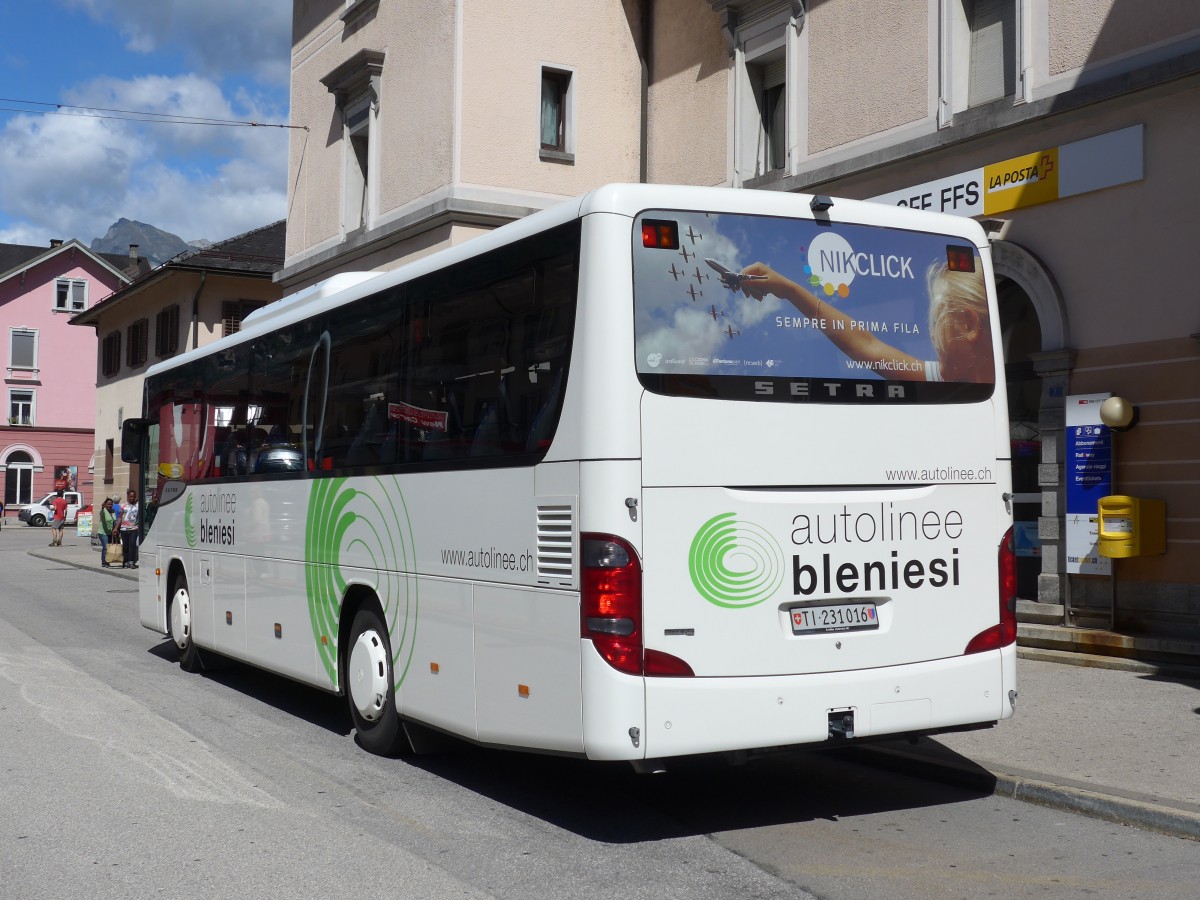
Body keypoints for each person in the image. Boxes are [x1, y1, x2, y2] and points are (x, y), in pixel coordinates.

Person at [737, 259, 994, 383]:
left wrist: (790, 291)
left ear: (969, 325)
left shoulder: (947, 379)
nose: (931, 334)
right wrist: (790, 290)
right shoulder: (946, 378)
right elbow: (866, 345)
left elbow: (867, 345)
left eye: (937, 319)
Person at [119, 489, 140, 569]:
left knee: (132, 545)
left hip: (134, 528)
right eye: (131, 496)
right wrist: (116, 528)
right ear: (128, 497)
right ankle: (125, 561)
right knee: (125, 546)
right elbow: (120, 517)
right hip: (124, 529)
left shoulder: (138, 505)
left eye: (134, 497)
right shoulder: (123, 505)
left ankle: (132, 562)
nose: (132, 498)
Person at [97, 498, 117, 568]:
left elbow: (114, 521)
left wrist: (115, 529)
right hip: (103, 532)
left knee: (109, 547)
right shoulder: (103, 511)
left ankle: (107, 561)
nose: (110, 505)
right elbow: (102, 515)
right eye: (108, 504)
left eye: (111, 504)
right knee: (105, 547)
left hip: (110, 532)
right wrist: (102, 507)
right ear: (105, 504)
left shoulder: (113, 511)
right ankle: (104, 562)